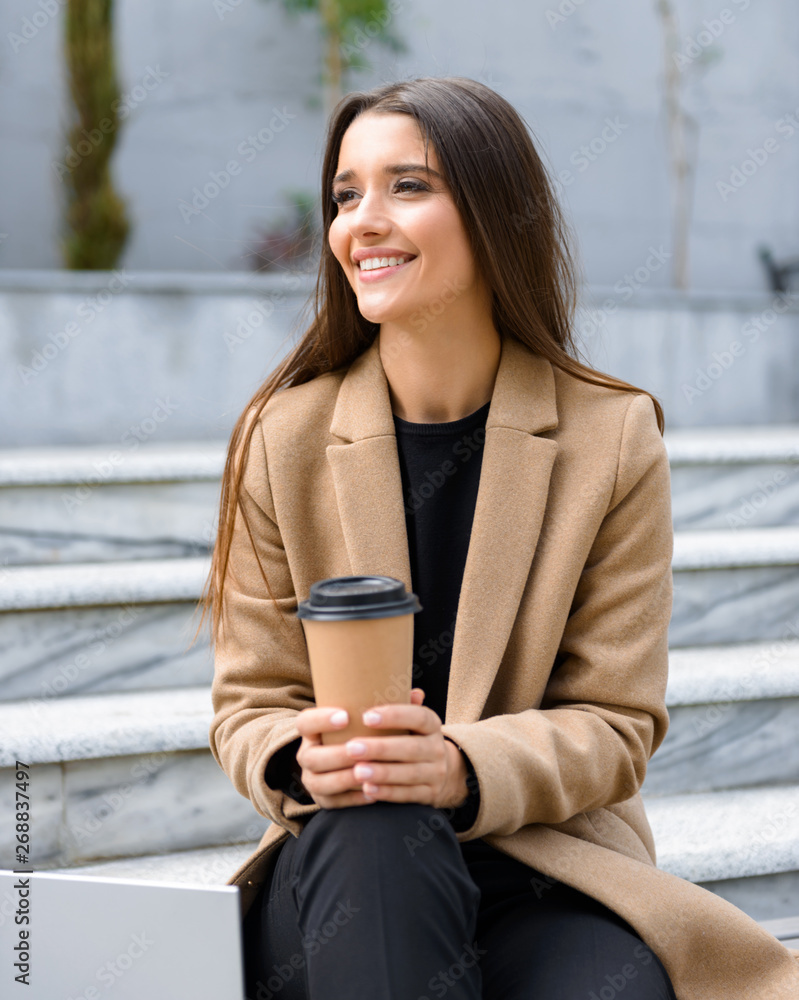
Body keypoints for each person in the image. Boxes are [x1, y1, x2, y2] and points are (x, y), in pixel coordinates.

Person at [204, 77, 799, 999]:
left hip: (543, 867)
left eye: (407, 186)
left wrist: (457, 768)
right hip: (345, 867)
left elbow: (616, 723)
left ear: (493, 213)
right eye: (345, 194)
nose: (362, 219)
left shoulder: (611, 436)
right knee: (378, 825)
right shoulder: (282, 439)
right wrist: (300, 757)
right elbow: (250, 704)